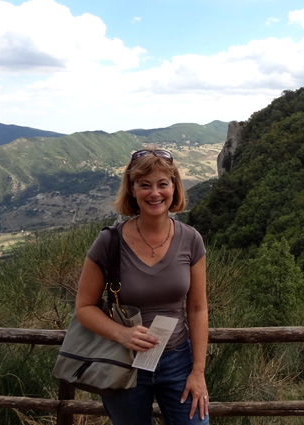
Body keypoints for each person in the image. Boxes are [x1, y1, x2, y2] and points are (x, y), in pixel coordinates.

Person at [75, 148, 209, 424]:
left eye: (163, 184)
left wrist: (198, 371)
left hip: (178, 360)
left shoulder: (191, 240)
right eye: (144, 185)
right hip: (124, 361)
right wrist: (122, 334)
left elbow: (197, 308)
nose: (154, 193)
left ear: (174, 188)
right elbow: (84, 307)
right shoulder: (109, 243)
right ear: (132, 190)